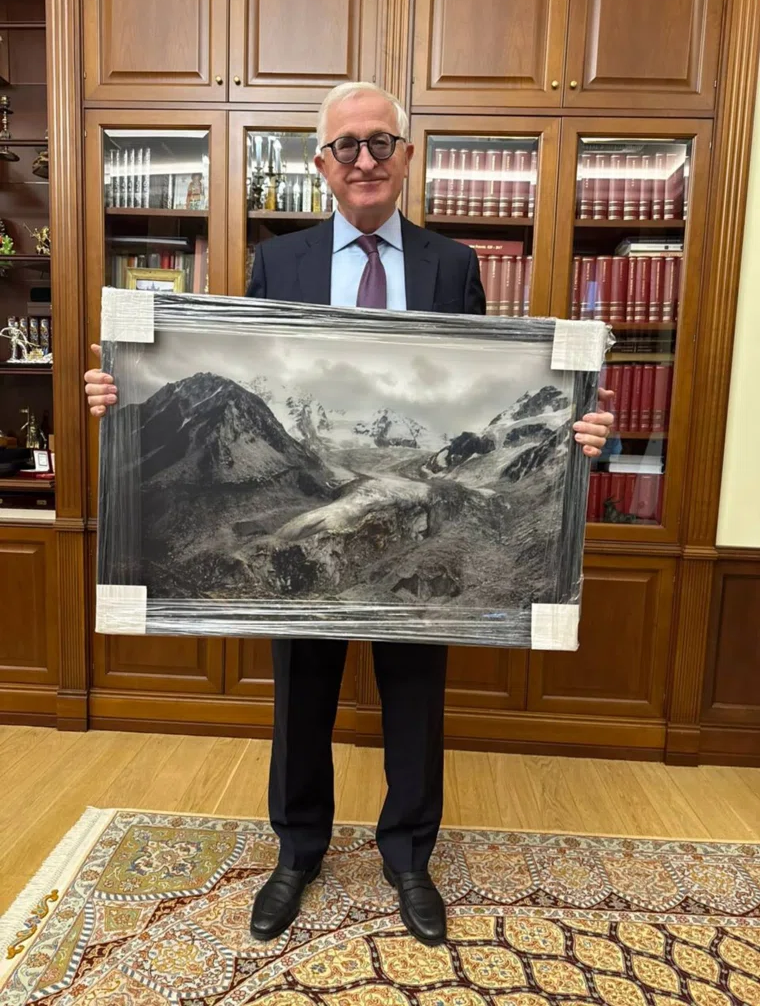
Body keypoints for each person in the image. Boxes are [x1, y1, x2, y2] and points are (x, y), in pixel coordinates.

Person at [85, 81, 613, 947]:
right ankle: (297, 852)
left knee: (416, 696)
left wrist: (577, 428)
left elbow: (501, 389)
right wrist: (123, 390)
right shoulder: (279, 262)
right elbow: (237, 357)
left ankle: (409, 858)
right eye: (345, 146)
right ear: (321, 164)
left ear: (407, 156)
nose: (363, 160)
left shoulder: (454, 266)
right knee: (300, 694)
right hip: (315, 524)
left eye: (379, 142)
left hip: (417, 543)